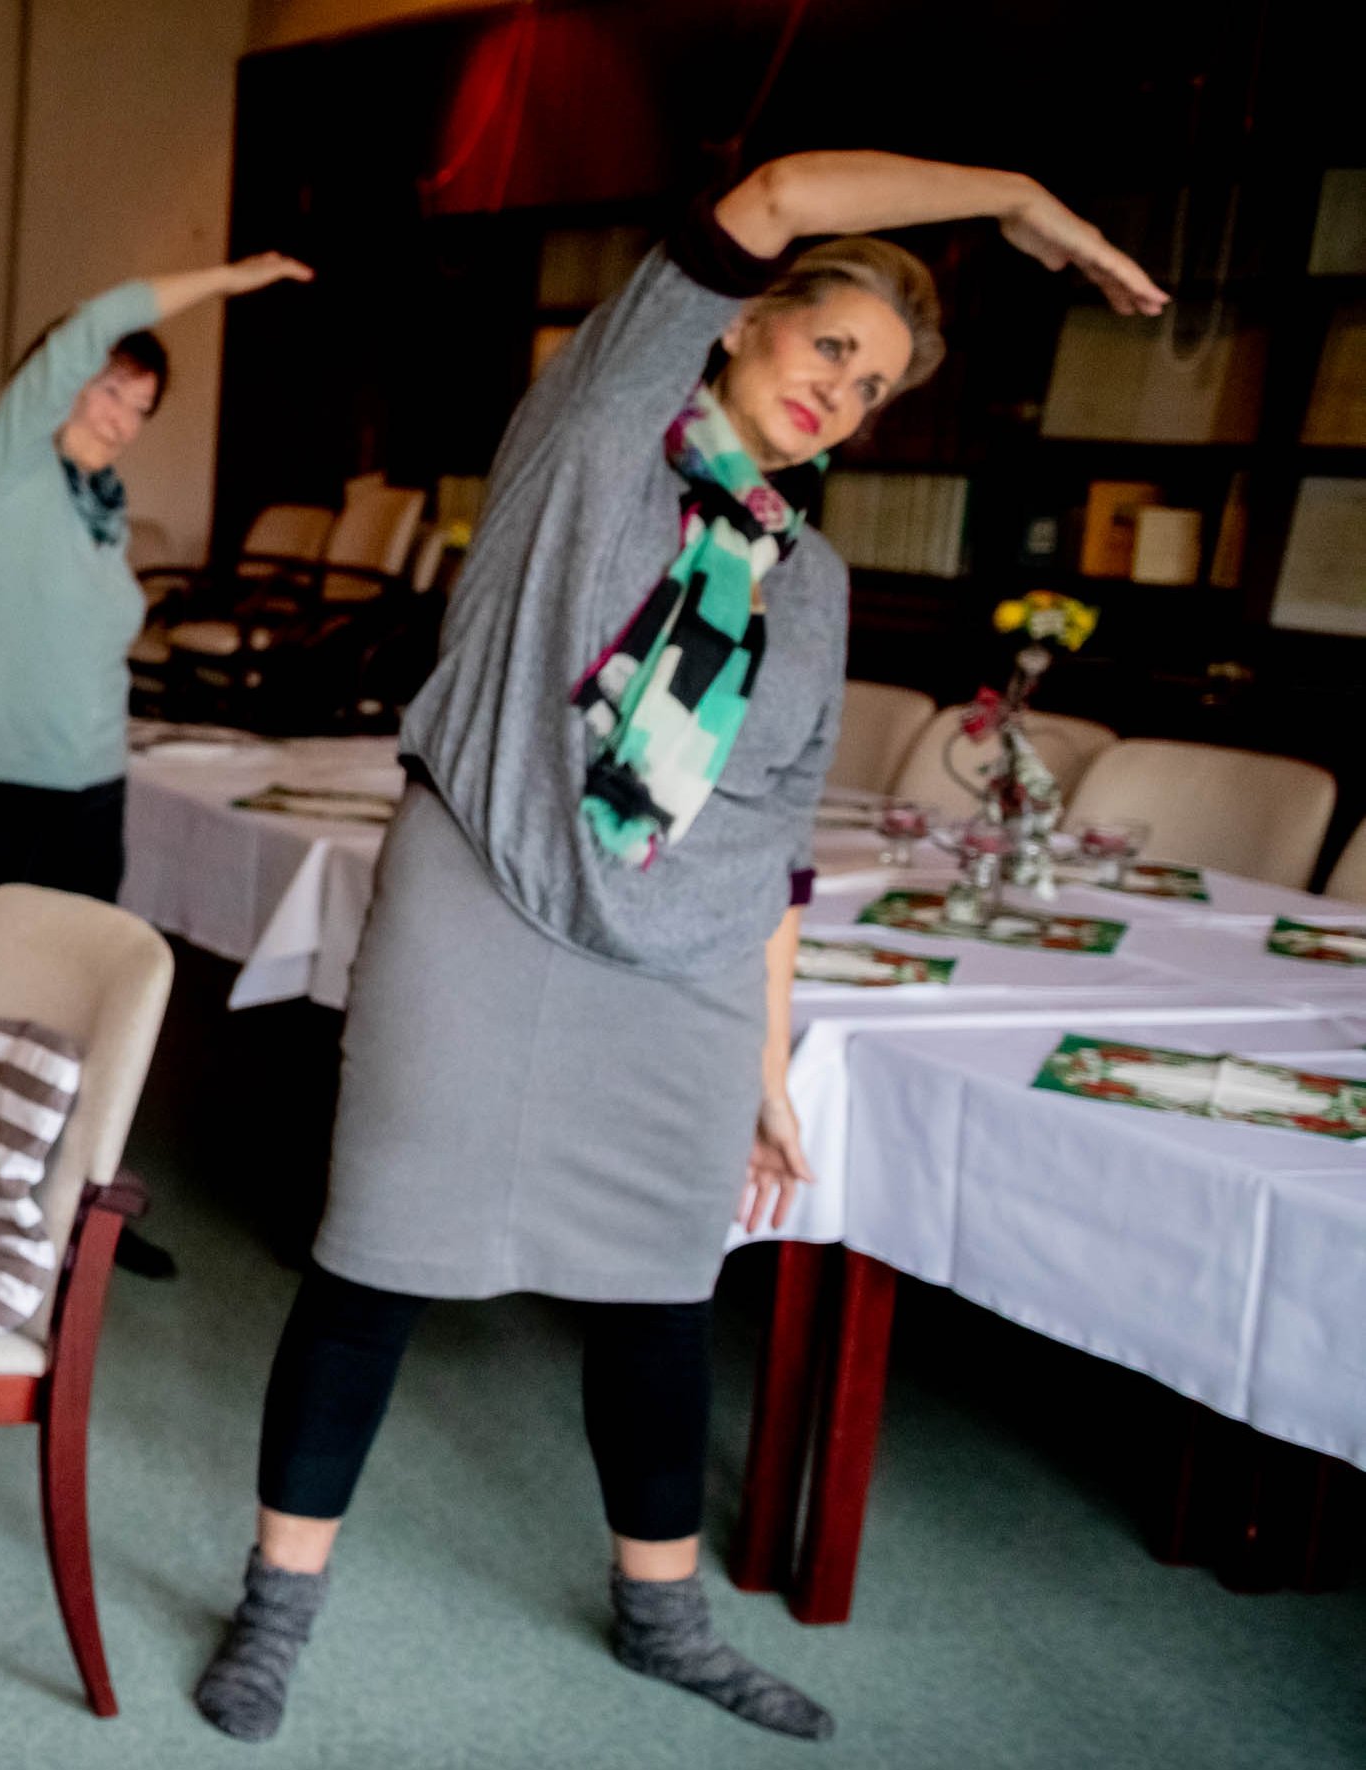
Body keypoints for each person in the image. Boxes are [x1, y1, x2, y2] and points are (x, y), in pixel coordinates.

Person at [187, 151, 1166, 1744]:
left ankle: (666, 1615)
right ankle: (278, 1604)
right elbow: (773, 192)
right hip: (484, 900)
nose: (842, 394)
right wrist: (1014, 202)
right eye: (828, 350)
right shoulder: (591, 443)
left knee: (657, 1292)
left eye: (876, 389)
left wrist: (767, 1054)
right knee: (376, 1262)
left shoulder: (817, 578)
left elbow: (774, 836)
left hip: (688, 964)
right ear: (737, 330)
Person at [0, 253, 312, 1277]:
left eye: (140, 404)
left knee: (76, 1008)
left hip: (84, 794)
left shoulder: (96, 508)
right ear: (58, 377)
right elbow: (97, 316)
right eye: (108, 386)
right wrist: (233, 277)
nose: (120, 413)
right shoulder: (3, 466)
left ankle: (68, 1210)